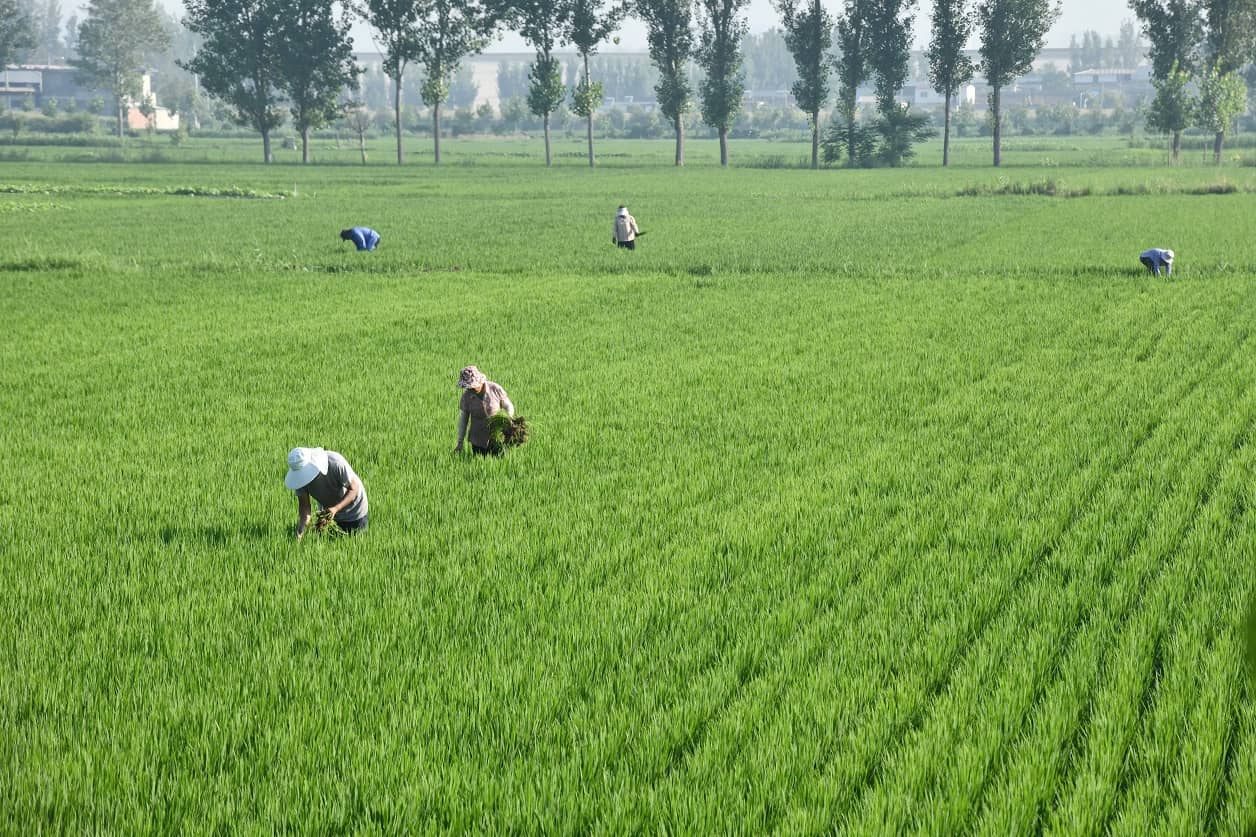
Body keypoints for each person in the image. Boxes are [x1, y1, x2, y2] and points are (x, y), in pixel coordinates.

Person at [285, 446, 369, 538]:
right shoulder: (299, 479)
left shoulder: (335, 463)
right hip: (329, 515)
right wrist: (300, 531)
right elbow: (305, 507)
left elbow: (354, 488)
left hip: (355, 511)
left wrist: (335, 509)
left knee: (354, 543)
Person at [455, 365, 515, 456]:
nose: (471, 389)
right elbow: (463, 420)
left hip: (497, 436)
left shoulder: (495, 389)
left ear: (479, 381)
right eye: (468, 387)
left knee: (500, 461)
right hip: (477, 439)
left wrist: (508, 417)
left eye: (472, 386)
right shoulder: (466, 397)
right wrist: (460, 442)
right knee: (480, 462)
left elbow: (508, 406)